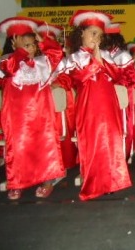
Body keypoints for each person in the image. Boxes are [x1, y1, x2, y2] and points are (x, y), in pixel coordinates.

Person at [0, 17, 65, 200]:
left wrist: (44, 41)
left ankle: (48, 180)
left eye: (32, 45)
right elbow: (10, 68)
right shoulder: (6, 61)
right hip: (17, 117)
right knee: (18, 147)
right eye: (25, 45)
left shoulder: (42, 63)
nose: (30, 49)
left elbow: (57, 54)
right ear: (13, 42)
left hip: (42, 114)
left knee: (45, 146)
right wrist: (20, 52)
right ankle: (17, 183)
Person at [65, 10, 131, 201]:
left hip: (108, 102)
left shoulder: (106, 55)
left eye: (100, 35)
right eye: (93, 33)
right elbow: (78, 79)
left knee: (111, 139)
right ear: (82, 34)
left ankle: (112, 181)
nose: (96, 38)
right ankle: (94, 182)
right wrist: (95, 61)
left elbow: (117, 76)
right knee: (93, 141)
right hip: (89, 104)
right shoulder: (75, 57)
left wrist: (101, 59)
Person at [37, 23, 78, 170]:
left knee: (63, 127)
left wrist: (56, 84)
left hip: (62, 95)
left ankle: (65, 160)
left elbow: (70, 77)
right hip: (42, 99)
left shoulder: (63, 60)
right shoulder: (36, 61)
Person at [102, 23, 135, 160]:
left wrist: (115, 83)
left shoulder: (124, 56)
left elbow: (130, 78)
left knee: (122, 125)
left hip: (121, 95)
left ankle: (121, 154)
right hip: (104, 95)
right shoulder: (102, 54)